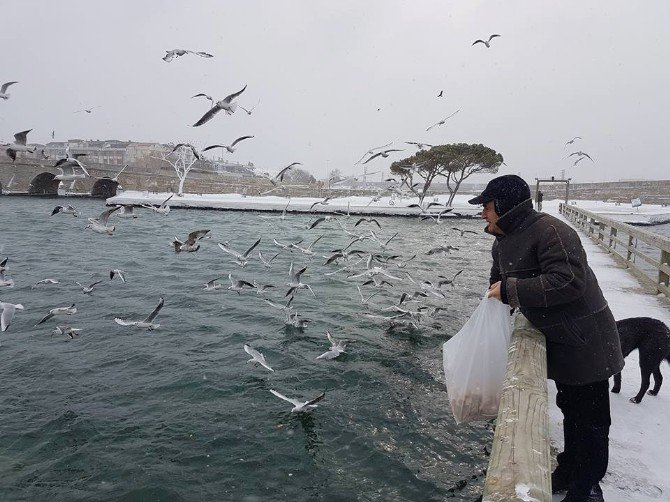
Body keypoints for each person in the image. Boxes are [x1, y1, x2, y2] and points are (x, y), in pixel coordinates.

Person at [469, 174, 624, 502]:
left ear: (505, 204)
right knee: (570, 408)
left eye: (487, 205)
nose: (483, 212)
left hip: (587, 341)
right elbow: (499, 282)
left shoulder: (551, 231)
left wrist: (511, 290)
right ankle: (569, 471)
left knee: (592, 421)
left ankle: (587, 488)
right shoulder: (502, 241)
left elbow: (568, 281)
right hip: (561, 341)